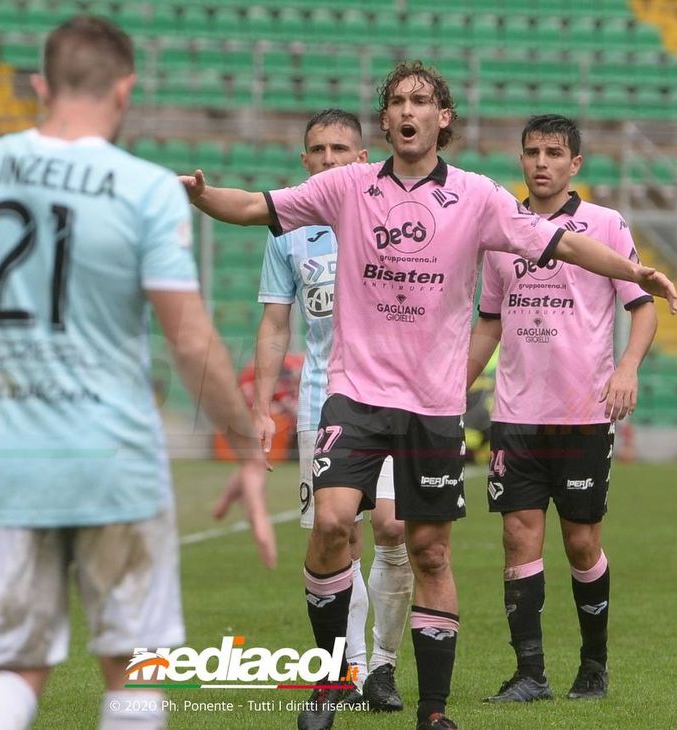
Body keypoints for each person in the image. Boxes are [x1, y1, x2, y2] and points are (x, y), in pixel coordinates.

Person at [180, 60, 677, 730]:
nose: (407, 110)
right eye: (396, 101)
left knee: (430, 551)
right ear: (385, 121)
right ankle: (330, 679)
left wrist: (634, 272)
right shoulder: (347, 185)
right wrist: (201, 196)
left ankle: (433, 710)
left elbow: (562, 244)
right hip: (355, 393)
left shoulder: (478, 197)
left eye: (420, 100)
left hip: (434, 406)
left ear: (443, 118)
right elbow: (255, 207)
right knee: (331, 522)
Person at [0, 16, 275, 730]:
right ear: (125, 89)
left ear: (40, 85)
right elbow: (189, 338)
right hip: (115, 462)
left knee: (13, 667)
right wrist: (246, 445)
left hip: (10, 461)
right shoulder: (144, 187)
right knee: (132, 667)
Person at [467, 114, 657, 704]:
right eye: (532, 152)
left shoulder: (605, 223)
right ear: (520, 159)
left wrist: (627, 369)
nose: (541, 162)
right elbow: (490, 322)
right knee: (518, 536)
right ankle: (530, 674)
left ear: (575, 164)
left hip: (583, 412)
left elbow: (643, 306)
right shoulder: (503, 230)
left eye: (554, 153)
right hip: (516, 415)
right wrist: (449, 393)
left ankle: (593, 666)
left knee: (581, 542)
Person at [253, 108, 410, 713]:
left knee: (394, 527)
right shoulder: (286, 233)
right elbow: (275, 324)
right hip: (322, 403)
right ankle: (350, 669)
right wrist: (263, 408)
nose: (327, 159)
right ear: (303, 160)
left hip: (395, 401)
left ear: (363, 158)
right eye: (317, 150)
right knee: (336, 535)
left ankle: (384, 667)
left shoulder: (390, 218)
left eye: (340, 149)